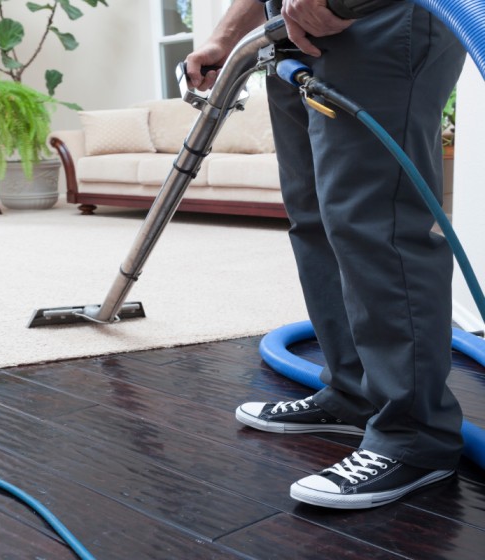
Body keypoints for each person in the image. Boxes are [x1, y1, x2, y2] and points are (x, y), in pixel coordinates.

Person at [185, 0, 467, 509]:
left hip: (377, 12)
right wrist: (226, 35)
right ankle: (354, 392)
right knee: (317, 217)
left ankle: (415, 436)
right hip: (292, 25)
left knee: (376, 221)